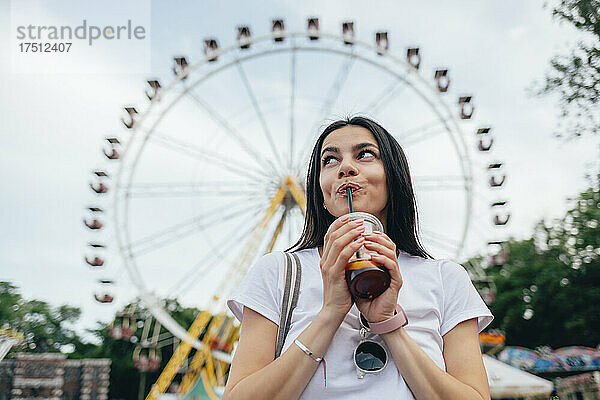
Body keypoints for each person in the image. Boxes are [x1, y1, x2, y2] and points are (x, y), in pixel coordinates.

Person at [224, 116, 493, 400]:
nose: (345, 168)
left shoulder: (445, 278)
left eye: (365, 155)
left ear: (394, 175)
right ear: (321, 192)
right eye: (329, 160)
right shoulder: (277, 272)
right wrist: (331, 313)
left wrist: (388, 325)